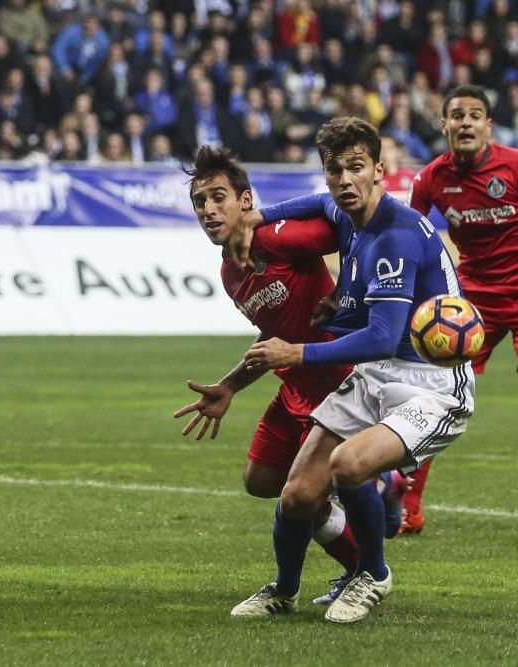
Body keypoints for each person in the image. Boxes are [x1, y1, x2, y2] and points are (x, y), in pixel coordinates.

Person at [230, 116, 475, 623]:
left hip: (431, 386)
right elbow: (315, 205)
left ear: (379, 170)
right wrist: (260, 218)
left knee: (348, 465)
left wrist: (297, 352)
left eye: (356, 168)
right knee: (297, 495)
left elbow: (384, 335)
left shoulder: (394, 235)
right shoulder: (346, 214)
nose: (344, 180)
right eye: (334, 169)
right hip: (378, 373)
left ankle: (374, 574)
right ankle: (284, 589)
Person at [175, 146, 405, 616]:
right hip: (296, 385)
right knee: (260, 481)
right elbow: (275, 332)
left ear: (246, 201)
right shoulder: (229, 271)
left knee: (299, 495)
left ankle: (335, 574)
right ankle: (373, 495)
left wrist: (343, 292)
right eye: (200, 202)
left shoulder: (280, 238)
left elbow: (349, 224)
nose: (208, 210)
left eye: (218, 197)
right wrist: (231, 385)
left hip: (339, 380)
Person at [405, 84, 518, 541]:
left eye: (475, 115)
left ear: (488, 125)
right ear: (443, 125)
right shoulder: (430, 179)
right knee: (436, 392)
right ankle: (409, 505)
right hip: (472, 300)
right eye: (457, 115)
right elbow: (411, 240)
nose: (465, 122)